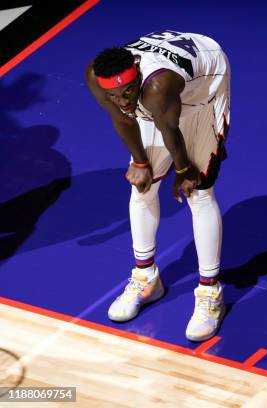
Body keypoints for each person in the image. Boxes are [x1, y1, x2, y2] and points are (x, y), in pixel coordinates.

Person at [85, 30, 230, 342]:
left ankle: (211, 292)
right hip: (163, 102)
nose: (123, 102)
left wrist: (184, 170)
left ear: (137, 74)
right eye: (115, 96)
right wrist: (139, 163)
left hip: (204, 84)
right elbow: (123, 120)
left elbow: (170, 129)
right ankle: (146, 278)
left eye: (127, 93)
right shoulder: (99, 79)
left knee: (199, 191)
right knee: (142, 186)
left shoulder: (155, 86)